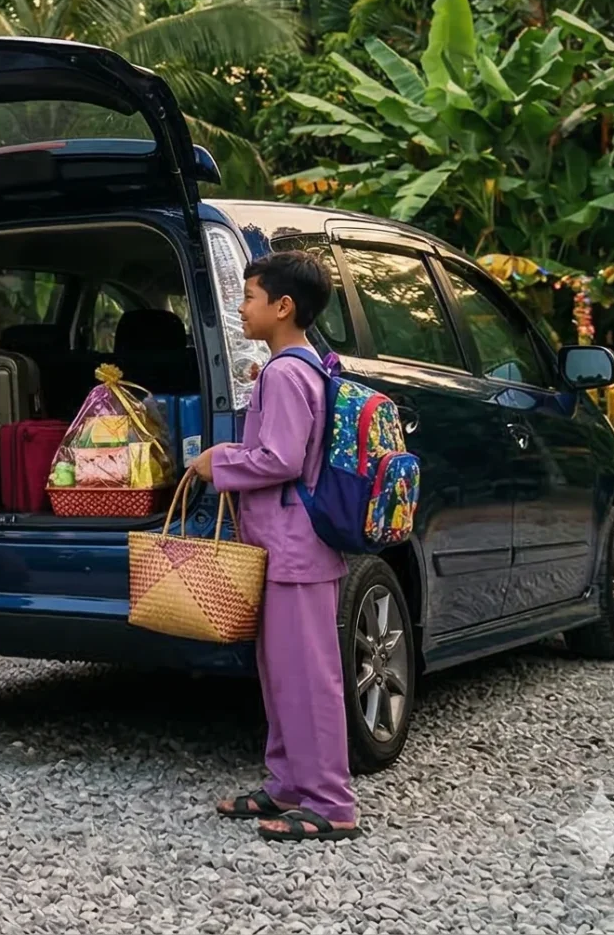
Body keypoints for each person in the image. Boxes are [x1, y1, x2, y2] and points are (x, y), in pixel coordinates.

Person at [189, 251, 360, 842]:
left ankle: (331, 802)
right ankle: (289, 784)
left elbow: (280, 458)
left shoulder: (285, 373)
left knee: (309, 677)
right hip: (285, 546)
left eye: (250, 297)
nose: (240, 308)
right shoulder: (305, 367)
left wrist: (219, 461)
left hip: (296, 550)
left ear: (283, 307)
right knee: (283, 672)